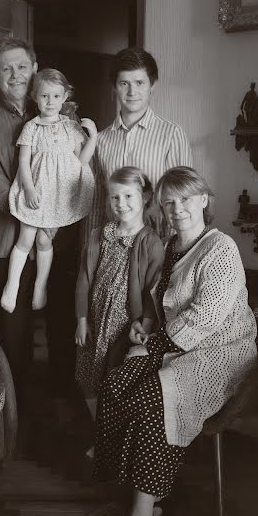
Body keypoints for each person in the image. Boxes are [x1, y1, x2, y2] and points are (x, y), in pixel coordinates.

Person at [93, 167, 257, 516]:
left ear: (204, 199)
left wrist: (149, 349)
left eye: (185, 199)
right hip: (175, 346)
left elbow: (205, 317)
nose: (177, 208)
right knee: (115, 383)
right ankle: (159, 497)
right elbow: (159, 305)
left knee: (154, 399)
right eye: (169, 202)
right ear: (161, 208)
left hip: (221, 353)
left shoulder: (221, 250)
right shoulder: (169, 247)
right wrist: (143, 328)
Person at [0, 38, 80, 409]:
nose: (14, 75)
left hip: (56, 237)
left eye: (21, 66)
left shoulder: (63, 113)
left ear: (35, 69)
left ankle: (61, 398)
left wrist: (54, 219)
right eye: (5, 68)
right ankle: (20, 413)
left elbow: (76, 170)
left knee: (60, 323)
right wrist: (34, 215)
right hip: (8, 239)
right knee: (12, 332)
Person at [74, 166, 164, 428]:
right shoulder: (100, 235)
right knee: (88, 378)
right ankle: (100, 431)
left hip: (124, 325)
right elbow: (83, 279)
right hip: (95, 318)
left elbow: (153, 291)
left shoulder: (150, 242)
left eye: (128, 197)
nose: (121, 204)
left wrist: (145, 325)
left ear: (144, 197)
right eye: (115, 197)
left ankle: (112, 435)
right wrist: (81, 319)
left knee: (113, 378)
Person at [1, 68, 96, 314]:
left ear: (65, 97)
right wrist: (29, 190)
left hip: (59, 194)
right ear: (35, 96)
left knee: (44, 240)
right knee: (26, 238)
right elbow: (23, 162)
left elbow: (81, 161)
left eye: (56, 96)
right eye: (44, 96)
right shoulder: (31, 127)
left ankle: (40, 286)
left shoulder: (71, 127)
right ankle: (12, 285)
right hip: (38, 191)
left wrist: (93, 137)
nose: (50, 102)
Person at [84, 47, 192, 240]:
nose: (132, 91)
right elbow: (97, 205)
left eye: (139, 82)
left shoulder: (172, 135)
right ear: (115, 87)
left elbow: (183, 201)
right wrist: (90, 251)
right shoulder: (100, 140)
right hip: (113, 247)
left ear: (152, 85)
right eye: (124, 83)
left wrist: (176, 255)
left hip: (159, 246)